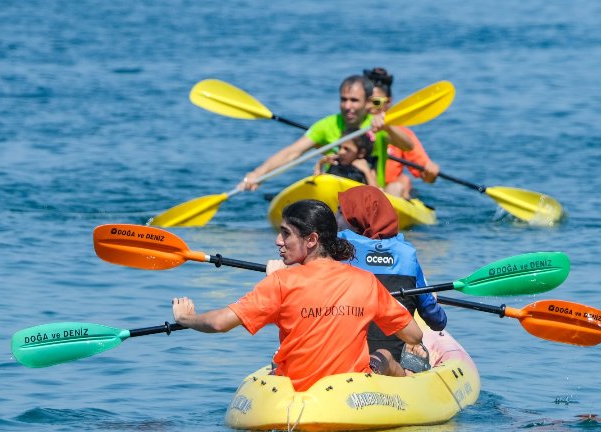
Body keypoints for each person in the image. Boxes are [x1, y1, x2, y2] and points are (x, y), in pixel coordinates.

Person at [171, 199, 423, 392]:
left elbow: (219, 323)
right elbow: (414, 335)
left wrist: (186, 318)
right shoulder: (365, 281)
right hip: (350, 395)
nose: (278, 241)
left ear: (311, 240)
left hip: (296, 394)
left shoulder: (281, 282)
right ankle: (411, 381)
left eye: (285, 233)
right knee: (384, 356)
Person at [336, 185, 447, 376]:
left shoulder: (337, 249)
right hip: (393, 364)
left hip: (344, 359)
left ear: (356, 219)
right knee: (418, 350)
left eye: (340, 213)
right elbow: (438, 322)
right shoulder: (407, 255)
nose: (335, 218)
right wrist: (432, 301)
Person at [238, 75, 413, 191]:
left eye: (354, 100)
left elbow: (408, 146)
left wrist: (388, 127)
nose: (348, 106)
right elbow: (292, 152)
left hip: (371, 192)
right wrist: (257, 174)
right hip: (335, 190)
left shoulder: (378, 123)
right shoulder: (326, 125)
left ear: (368, 102)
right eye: (343, 100)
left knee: (396, 188)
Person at [363, 67, 441, 200]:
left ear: (388, 102)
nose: (369, 107)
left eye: (376, 102)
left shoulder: (402, 134)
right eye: (365, 100)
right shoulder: (351, 128)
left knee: (402, 182)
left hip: (389, 192)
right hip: (359, 185)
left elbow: (427, 177)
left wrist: (431, 170)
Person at [313, 128, 377, 186]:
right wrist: (320, 163)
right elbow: (317, 183)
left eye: (347, 149)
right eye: (339, 147)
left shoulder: (368, 165)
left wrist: (366, 171)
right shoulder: (336, 162)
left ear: (361, 153)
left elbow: (376, 192)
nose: (340, 152)